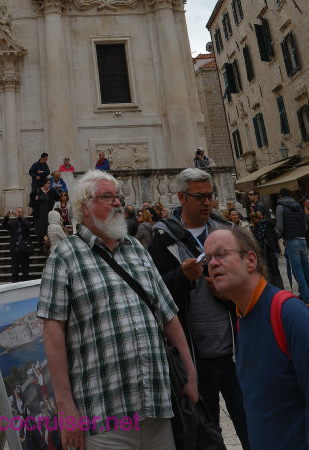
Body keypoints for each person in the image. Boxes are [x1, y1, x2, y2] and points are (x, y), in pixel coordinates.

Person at [38, 170, 196, 450]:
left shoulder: (135, 248)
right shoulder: (64, 256)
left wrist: (190, 373)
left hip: (157, 406)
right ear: (84, 206)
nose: (117, 203)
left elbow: (168, 314)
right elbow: (52, 332)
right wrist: (65, 407)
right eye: (107, 197)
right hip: (103, 416)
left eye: (118, 197)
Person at [204, 225, 309, 450]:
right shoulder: (243, 317)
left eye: (221, 254)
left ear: (251, 260)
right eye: (208, 258)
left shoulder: (287, 313)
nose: (212, 263)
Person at [148, 167, 251, 449]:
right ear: (181, 197)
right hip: (194, 359)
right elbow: (154, 293)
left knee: (252, 427)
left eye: (210, 196)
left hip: (235, 351)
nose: (207, 202)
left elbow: (253, 281)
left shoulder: (228, 235)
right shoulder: (162, 240)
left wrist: (228, 291)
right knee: (206, 435)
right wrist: (182, 277)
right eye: (200, 196)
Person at [275, 187, 309, 307]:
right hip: (302, 240)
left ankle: (307, 301)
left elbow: (280, 226)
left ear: (280, 196)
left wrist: (277, 235)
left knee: (298, 271)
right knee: (307, 269)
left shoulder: (280, 207)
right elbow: (306, 226)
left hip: (292, 241)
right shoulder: (298, 206)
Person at [3, 207, 33, 282]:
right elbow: (5, 226)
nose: (18, 214)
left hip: (24, 250)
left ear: (23, 214)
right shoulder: (13, 223)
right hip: (15, 250)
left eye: (20, 212)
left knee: (25, 271)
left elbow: (27, 226)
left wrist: (19, 218)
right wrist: (7, 217)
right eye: (17, 212)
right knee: (14, 271)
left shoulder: (27, 222)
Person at [32, 178, 54, 253]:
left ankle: (47, 246)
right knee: (40, 230)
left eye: (50, 183)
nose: (49, 185)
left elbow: (57, 198)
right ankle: (41, 246)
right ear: (44, 184)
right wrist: (35, 199)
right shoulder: (37, 191)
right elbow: (31, 202)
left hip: (48, 214)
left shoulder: (52, 191)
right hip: (39, 215)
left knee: (47, 230)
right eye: (48, 183)